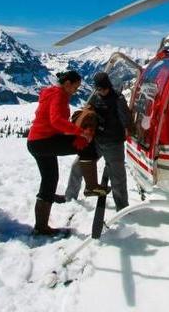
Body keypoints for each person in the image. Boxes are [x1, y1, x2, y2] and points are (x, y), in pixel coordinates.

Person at [27, 70, 94, 236]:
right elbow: (56, 120)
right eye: (75, 87)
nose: (76, 91)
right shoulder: (58, 94)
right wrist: (79, 132)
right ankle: (92, 185)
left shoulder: (54, 93)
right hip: (43, 142)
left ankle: (41, 226)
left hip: (37, 142)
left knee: (50, 179)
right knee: (85, 145)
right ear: (67, 84)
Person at [85, 71, 132, 210]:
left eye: (104, 88)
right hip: (98, 140)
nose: (102, 91)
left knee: (118, 178)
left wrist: (129, 129)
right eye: (99, 89)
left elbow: (126, 118)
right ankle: (71, 197)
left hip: (114, 143)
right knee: (81, 165)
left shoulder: (118, 98)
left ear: (109, 86)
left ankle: (122, 208)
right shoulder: (95, 97)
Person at [63, 106, 112, 201]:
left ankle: (73, 196)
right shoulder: (91, 113)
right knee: (76, 166)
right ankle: (71, 197)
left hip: (104, 142)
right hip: (95, 141)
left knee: (79, 165)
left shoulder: (89, 115)